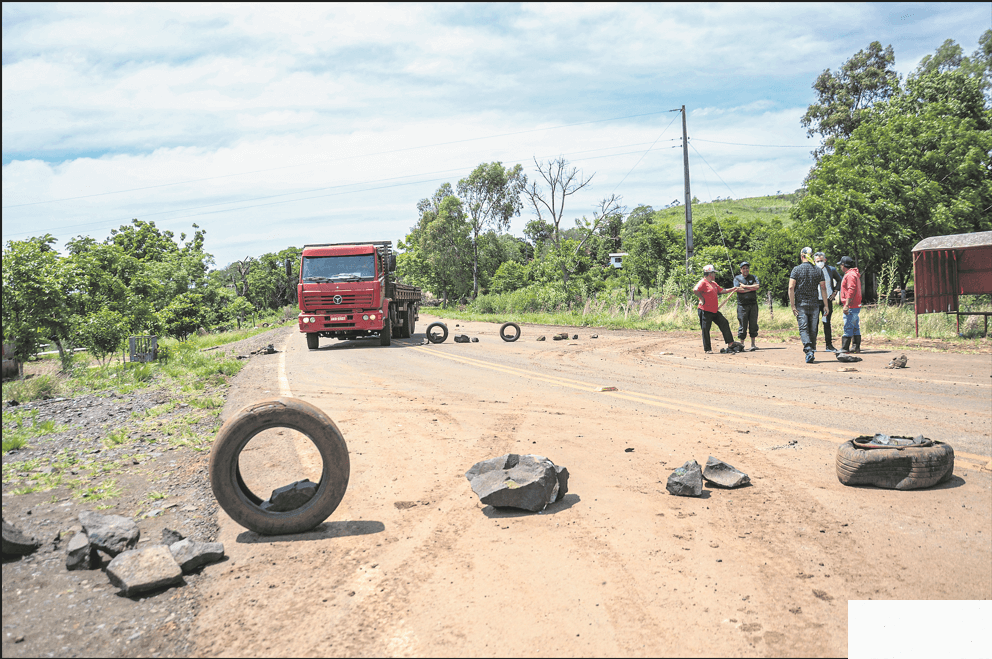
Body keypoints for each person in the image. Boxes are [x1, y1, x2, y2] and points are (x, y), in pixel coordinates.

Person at [788, 247, 830, 363]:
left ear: (802, 256)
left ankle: (809, 351)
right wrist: (826, 305)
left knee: (803, 328)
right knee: (813, 328)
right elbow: (823, 288)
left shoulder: (796, 270)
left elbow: (791, 287)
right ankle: (812, 349)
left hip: (801, 304)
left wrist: (792, 305)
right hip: (815, 304)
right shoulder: (818, 270)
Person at [693, 264, 739, 354]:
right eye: (714, 273)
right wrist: (701, 298)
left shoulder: (713, 284)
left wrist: (733, 289)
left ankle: (730, 343)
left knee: (724, 322)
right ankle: (707, 349)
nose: (715, 275)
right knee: (706, 329)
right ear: (709, 274)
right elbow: (695, 290)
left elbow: (722, 290)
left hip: (714, 310)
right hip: (705, 310)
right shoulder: (703, 282)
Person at [814, 252, 842, 352]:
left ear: (825, 260)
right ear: (814, 261)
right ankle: (813, 346)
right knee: (814, 323)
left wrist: (835, 292)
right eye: (818, 261)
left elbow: (839, 280)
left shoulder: (831, 269)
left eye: (821, 261)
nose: (820, 262)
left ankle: (829, 345)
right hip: (815, 301)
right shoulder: (812, 270)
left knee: (827, 323)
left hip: (827, 300)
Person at [733, 261, 760, 351]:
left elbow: (757, 286)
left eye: (747, 268)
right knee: (742, 325)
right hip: (742, 305)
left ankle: (753, 344)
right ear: (741, 270)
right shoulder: (737, 278)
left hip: (753, 304)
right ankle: (741, 345)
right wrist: (751, 288)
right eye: (743, 268)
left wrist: (745, 286)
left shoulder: (753, 277)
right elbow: (738, 290)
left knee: (753, 324)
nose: (745, 270)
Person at [837, 256, 862, 353]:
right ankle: (856, 347)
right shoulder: (854, 274)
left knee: (848, 325)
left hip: (851, 305)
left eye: (841, 265)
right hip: (856, 305)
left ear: (844, 265)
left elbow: (851, 290)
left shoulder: (850, 275)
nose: (840, 267)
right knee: (855, 326)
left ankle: (845, 348)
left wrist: (846, 304)